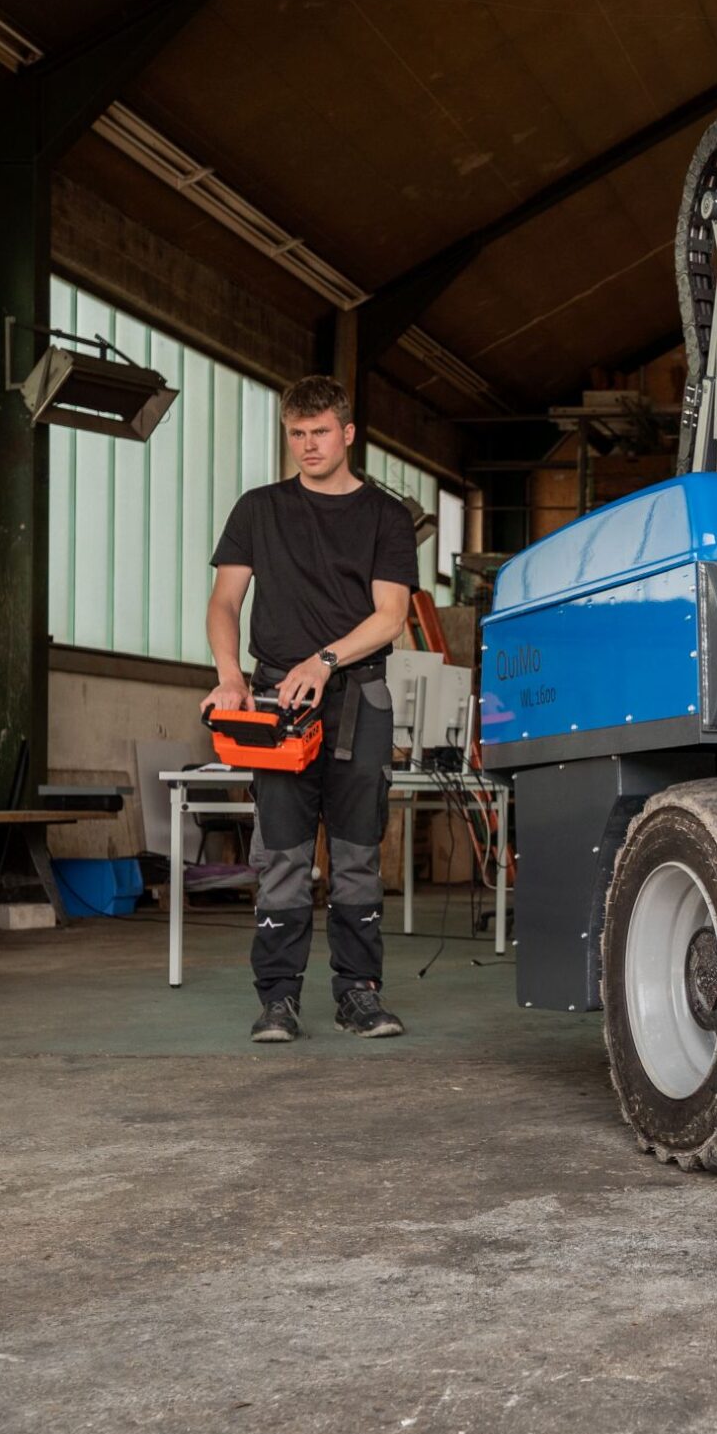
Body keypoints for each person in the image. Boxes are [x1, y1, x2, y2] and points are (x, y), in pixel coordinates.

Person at [202, 375, 418, 1043]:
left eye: (320, 432)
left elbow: (391, 616)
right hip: (275, 704)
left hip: (359, 698)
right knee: (283, 854)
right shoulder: (258, 509)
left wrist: (324, 661)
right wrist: (230, 676)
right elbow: (224, 602)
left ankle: (358, 993)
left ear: (347, 433)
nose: (308, 445)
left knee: (356, 854)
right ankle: (278, 1000)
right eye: (296, 434)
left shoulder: (385, 516)